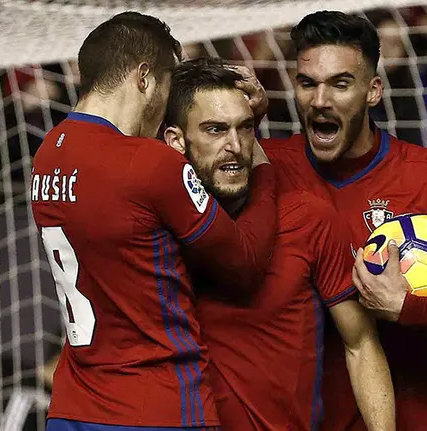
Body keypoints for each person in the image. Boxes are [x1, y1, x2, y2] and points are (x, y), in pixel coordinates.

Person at [259, 11, 427, 430]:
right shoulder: (268, 168)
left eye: (340, 84)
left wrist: (406, 306)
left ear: (373, 91)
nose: (320, 101)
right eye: (307, 83)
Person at [30, 12, 278, 430]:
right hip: (157, 407)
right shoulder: (149, 164)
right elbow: (244, 261)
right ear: (144, 77)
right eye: (167, 83)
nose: (165, 104)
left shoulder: (48, 154)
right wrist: (264, 164)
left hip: (74, 406)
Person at [163, 58, 394, 430]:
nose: (234, 146)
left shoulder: (309, 217)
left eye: (245, 127)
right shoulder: (155, 228)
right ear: (176, 140)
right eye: (215, 129)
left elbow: (361, 344)